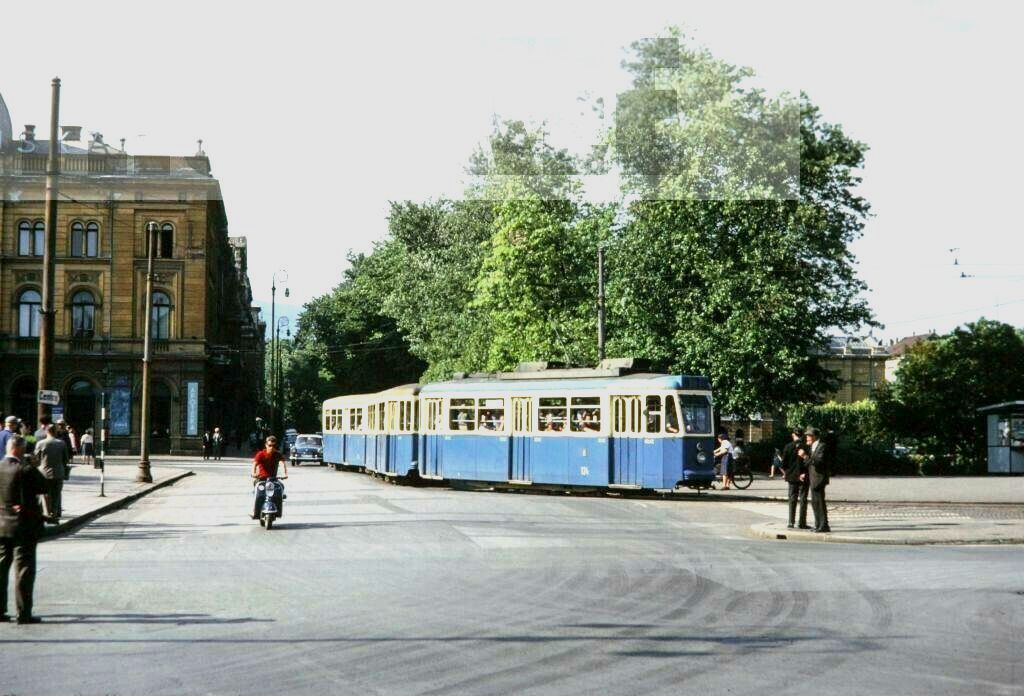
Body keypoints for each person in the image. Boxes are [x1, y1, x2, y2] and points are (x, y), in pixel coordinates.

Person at [0, 435, 48, 624]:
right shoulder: (25, 469)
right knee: (24, 569)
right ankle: (23, 612)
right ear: (20, 449)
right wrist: (33, 465)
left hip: (2, 526)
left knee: (1, 567)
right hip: (23, 526)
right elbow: (44, 487)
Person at [35, 425, 68, 522]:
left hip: (44, 472)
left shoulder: (40, 443)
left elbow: (36, 459)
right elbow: (65, 459)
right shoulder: (62, 443)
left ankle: (46, 513)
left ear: (46, 431)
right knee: (56, 494)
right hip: (58, 472)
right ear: (55, 431)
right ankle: (54, 513)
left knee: (45, 494)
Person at [802, 427, 831, 533]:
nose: (806, 438)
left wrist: (805, 456)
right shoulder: (813, 447)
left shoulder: (822, 446)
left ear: (814, 436)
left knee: (819, 502)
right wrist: (804, 473)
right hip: (813, 477)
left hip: (819, 478)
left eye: (808, 436)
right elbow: (809, 463)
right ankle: (818, 524)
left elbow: (818, 462)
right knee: (815, 502)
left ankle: (823, 525)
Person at [251, 436, 288, 519]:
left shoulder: (277, 454)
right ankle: (254, 510)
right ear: (266, 445)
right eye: (270, 445)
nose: (272, 448)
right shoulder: (261, 454)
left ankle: (278, 505)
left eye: (274, 446)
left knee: (281, 486)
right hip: (261, 479)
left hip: (273, 479)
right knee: (257, 490)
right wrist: (253, 473)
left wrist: (285, 474)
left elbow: (282, 463)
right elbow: (254, 464)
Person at [780, 428, 810, 529]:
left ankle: (790, 522)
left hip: (792, 476)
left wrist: (787, 473)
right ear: (802, 436)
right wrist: (804, 472)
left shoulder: (788, 446)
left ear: (793, 435)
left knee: (792, 499)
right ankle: (802, 522)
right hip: (804, 476)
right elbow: (809, 462)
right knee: (803, 499)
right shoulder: (806, 447)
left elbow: (783, 464)